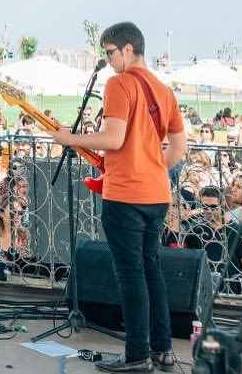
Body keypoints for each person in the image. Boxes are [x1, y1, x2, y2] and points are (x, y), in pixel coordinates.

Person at [47, 22, 186, 373]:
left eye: (110, 52)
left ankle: (137, 354)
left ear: (128, 50)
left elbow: (113, 139)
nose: (107, 60)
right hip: (156, 194)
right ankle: (163, 349)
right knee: (150, 268)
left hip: (125, 193)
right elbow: (179, 149)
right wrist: (154, 169)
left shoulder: (119, 83)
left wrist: (71, 140)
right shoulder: (164, 90)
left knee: (130, 275)